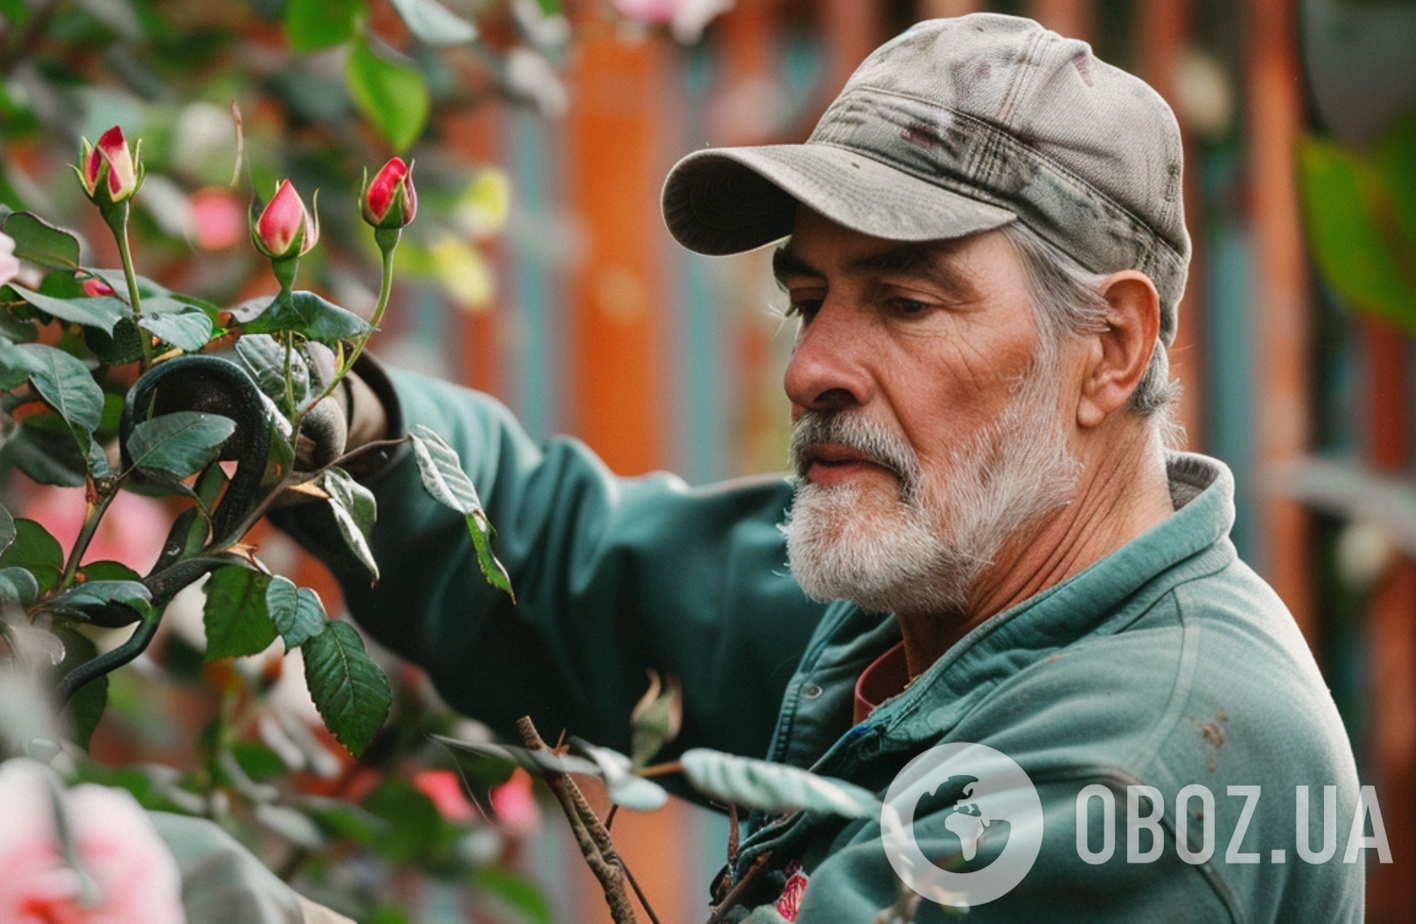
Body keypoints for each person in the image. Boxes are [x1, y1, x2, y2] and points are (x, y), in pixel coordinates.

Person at [274, 11, 1367, 922]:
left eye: (906, 302)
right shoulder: (941, 594)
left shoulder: (1129, 783)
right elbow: (581, 568)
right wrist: (355, 419)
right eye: (809, 299)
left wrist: (189, 890)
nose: (809, 370)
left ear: (1112, 349)